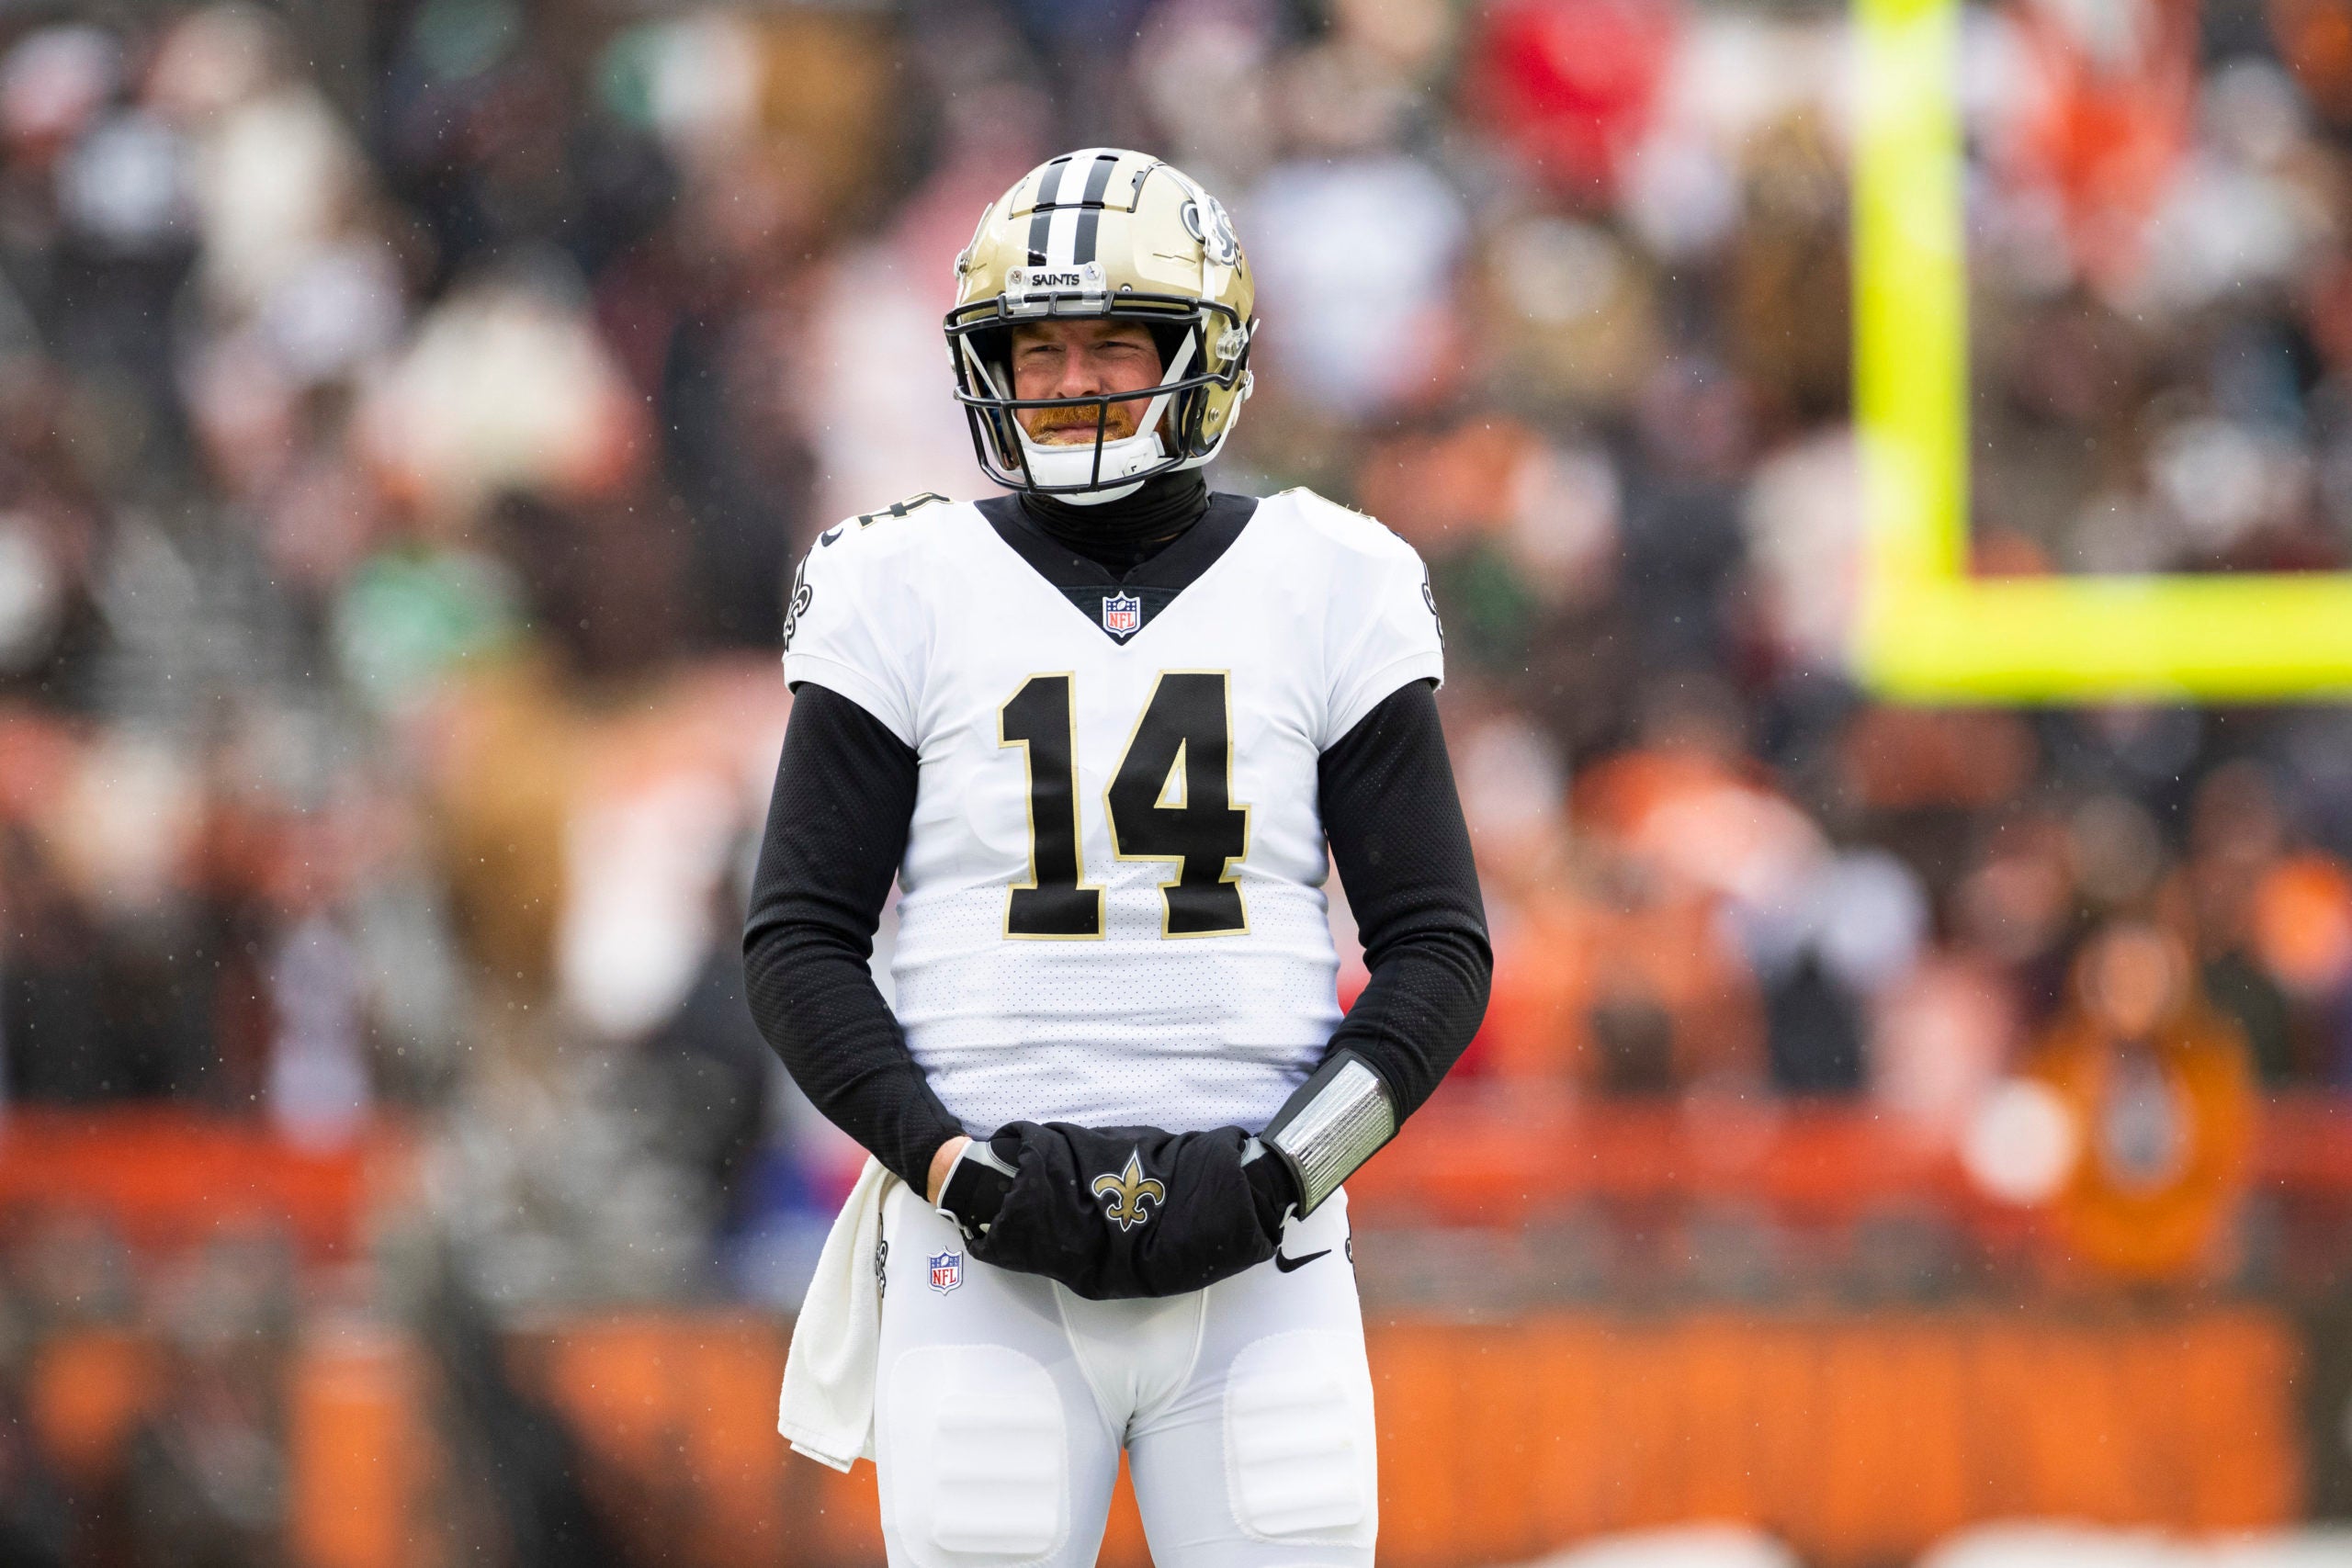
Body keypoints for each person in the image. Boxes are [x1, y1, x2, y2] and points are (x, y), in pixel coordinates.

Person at [743, 148, 1489, 1568]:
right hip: (983, 1265)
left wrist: (1279, 1173)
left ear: (1200, 359)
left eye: (1112, 345)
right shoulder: (898, 584)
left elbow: (1439, 948)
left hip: (1267, 1259)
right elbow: (797, 940)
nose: (1073, 381)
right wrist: (952, 1164)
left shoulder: (1334, 577)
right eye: (1039, 350)